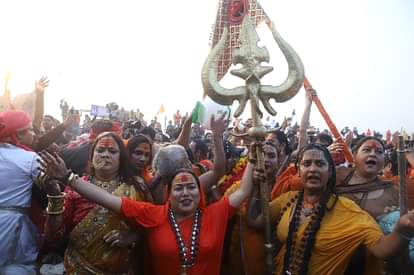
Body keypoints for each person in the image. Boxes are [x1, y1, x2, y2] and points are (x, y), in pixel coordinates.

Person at [39, 144, 256, 275]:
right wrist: (68, 177)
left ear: (201, 192)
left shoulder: (215, 214)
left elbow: (244, 190)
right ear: (168, 194)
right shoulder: (154, 215)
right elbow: (106, 199)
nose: (186, 193)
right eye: (178, 189)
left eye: (192, 187)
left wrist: (254, 156)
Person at [248, 143, 414, 275]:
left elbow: (382, 249)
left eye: (320, 164)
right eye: (307, 164)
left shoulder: (347, 209)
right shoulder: (288, 199)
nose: (313, 169)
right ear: (299, 170)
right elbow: (256, 220)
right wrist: (256, 187)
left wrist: (402, 230)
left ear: (330, 172)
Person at [41, 132, 144, 274]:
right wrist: (54, 196)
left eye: (112, 151)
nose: (105, 155)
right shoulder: (75, 188)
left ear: (121, 157)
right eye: (100, 150)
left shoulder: (136, 187)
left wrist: (133, 237)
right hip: (78, 268)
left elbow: (152, 227)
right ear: (91, 157)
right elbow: (54, 236)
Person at [222, 141, 280, 275]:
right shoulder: (237, 188)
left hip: (274, 262)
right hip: (239, 261)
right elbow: (221, 217)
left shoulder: (285, 188)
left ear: (279, 160)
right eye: (261, 155)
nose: (264, 160)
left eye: (271, 156)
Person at [0, 111, 46, 274]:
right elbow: (48, 187)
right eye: (30, 130)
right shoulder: (30, 159)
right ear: (19, 134)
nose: (34, 134)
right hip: (13, 226)